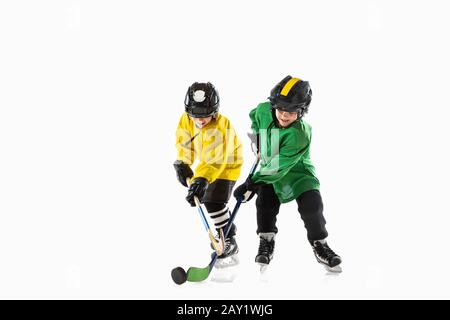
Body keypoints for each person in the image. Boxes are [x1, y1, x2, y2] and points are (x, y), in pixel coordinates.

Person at [233, 76, 342, 272]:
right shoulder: (264, 110)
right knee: (265, 204)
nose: (284, 115)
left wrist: (252, 183)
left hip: (297, 174)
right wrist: (258, 137)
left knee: (312, 207)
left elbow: (277, 167)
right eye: (281, 109)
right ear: (273, 105)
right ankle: (266, 241)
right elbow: (254, 117)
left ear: (302, 111)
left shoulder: (300, 134)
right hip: (269, 169)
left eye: (291, 112)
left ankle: (320, 245)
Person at [174, 82, 243, 264]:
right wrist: (183, 162)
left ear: (215, 111)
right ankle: (224, 235)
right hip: (207, 165)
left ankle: (229, 239)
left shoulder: (221, 126)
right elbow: (185, 144)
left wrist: (201, 178)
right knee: (206, 199)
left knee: (214, 199)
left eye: (205, 116)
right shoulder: (186, 120)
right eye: (195, 116)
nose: (200, 120)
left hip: (226, 164)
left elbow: (216, 159)